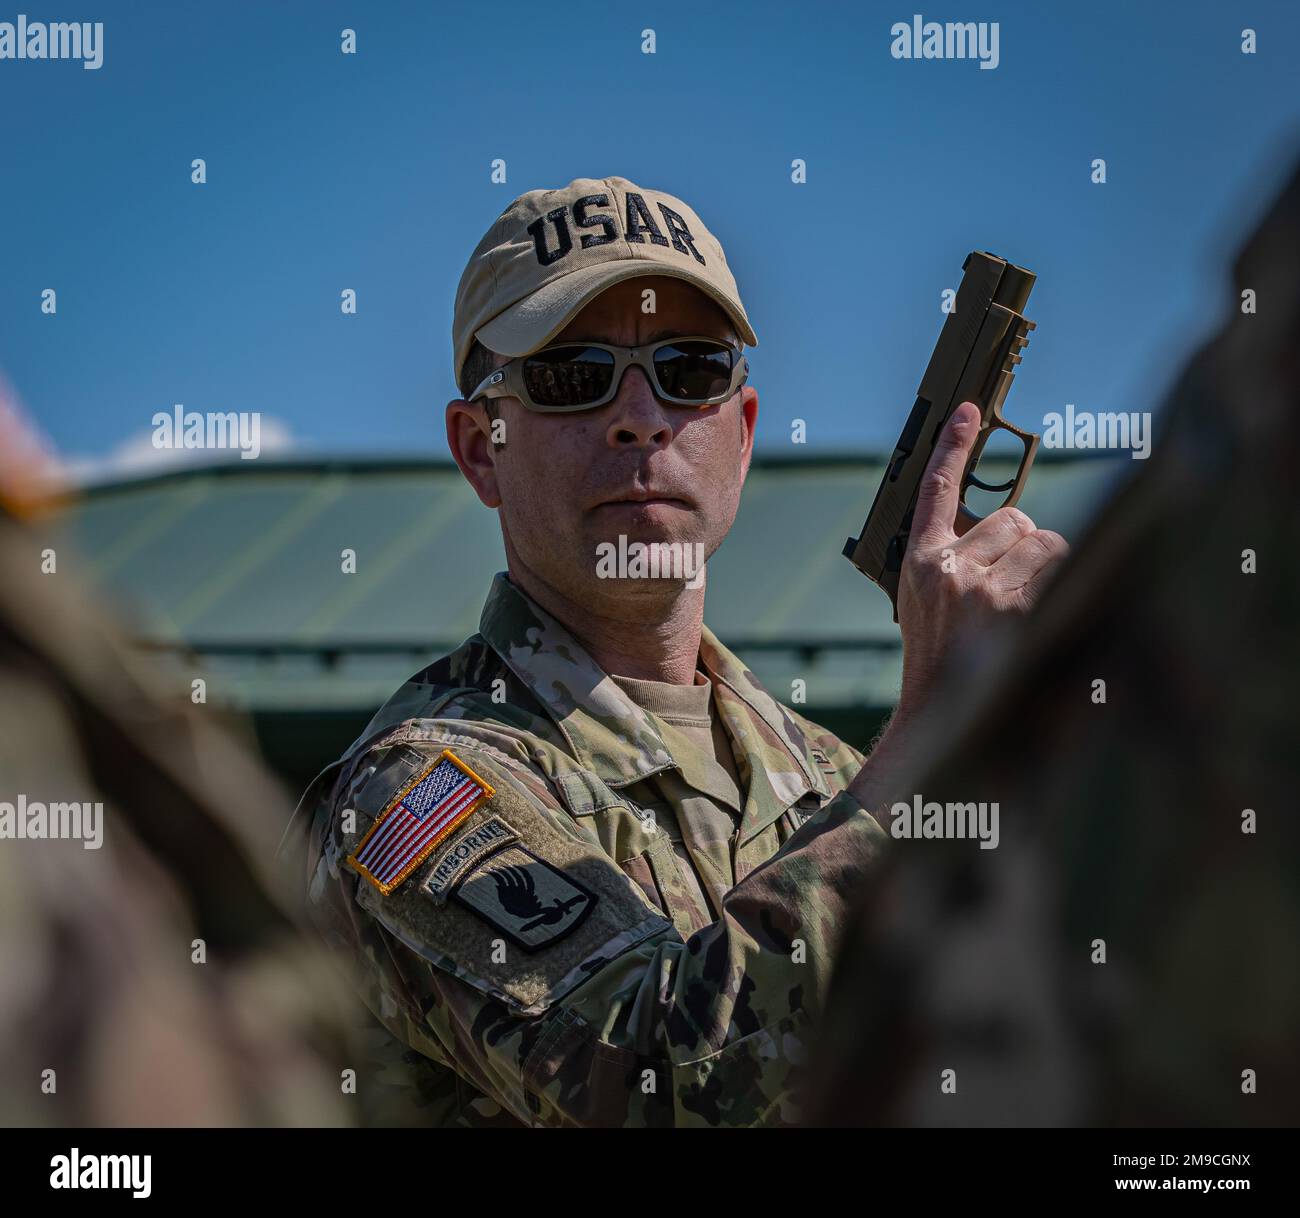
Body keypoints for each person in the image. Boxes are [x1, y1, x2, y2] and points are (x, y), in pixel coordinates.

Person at [293, 175, 1068, 1126]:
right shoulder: (416, 787)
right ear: (480, 449)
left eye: (691, 369)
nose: (642, 416)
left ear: (739, 436)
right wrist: (936, 742)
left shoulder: (829, 774)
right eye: (573, 374)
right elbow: (656, 1081)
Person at [805, 159, 1300, 1127]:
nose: (645, 423)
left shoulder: (804, 755)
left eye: (693, 374)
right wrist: (925, 716)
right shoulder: (443, 766)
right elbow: (688, 1072)